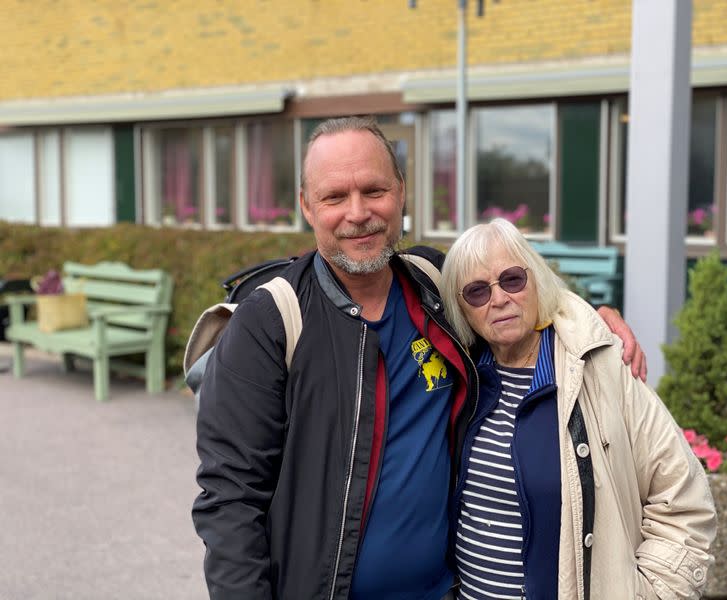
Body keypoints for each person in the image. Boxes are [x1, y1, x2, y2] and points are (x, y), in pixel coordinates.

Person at [192, 116, 647, 599]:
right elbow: (230, 499)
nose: (358, 212)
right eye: (334, 197)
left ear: (401, 192)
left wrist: (592, 320)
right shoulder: (271, 320)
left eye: (374, 190)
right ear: (306, 205)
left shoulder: (433, 284)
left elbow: (516, 296)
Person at [439, 218, 717, 600]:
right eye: (476, 292)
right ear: (461, 308)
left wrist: (653, 593)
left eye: (512, 279)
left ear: (535, 279)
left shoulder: (600, 368)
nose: (499, 298)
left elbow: (683, 497)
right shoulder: (462, 377)